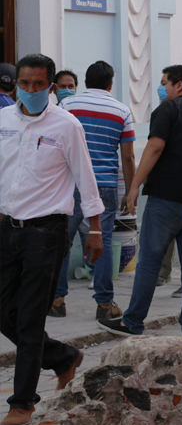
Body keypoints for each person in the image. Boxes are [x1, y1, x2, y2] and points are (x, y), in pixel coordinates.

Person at [0, 54, 98, 425]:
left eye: (39, 84)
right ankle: (62, 357)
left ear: (52, 87)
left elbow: (85, 178)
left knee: (29, 317)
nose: (30, 91)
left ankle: (23, 401)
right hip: (6, 228)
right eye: (24, 84)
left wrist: (95, 229)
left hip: (46, 231)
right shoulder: (4, 120)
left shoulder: (66, 125)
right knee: (3, 309)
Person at [99, 65, 182, 337]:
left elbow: (155, 147)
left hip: (165, 198)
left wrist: (134, 186)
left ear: (179, 85)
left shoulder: (167, 109)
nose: (161, 88)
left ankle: (133, 321)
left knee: (149, 261)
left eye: (164, 83)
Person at [52, 61, 136, 321]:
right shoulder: (122, 111)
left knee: (61, 240)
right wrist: (130, 192)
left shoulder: (66, 106)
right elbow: (129, 157)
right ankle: (104, 304)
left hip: (71, 184)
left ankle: (57, 300)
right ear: (111, 83)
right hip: (105, 186)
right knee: (104, 241)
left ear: (85, 83)